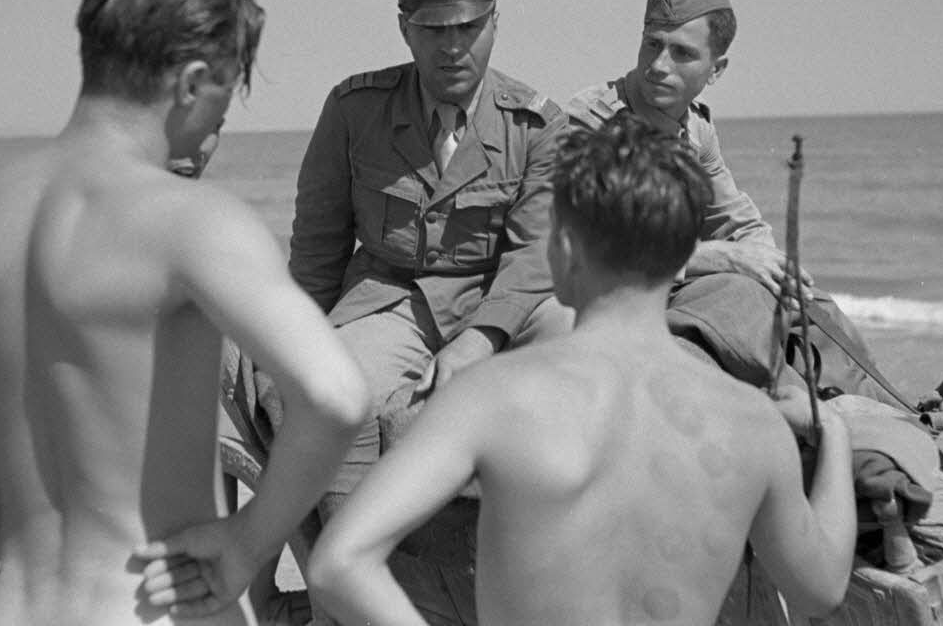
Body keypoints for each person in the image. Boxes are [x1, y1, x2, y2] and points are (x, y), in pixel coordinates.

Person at [0, 0, 370, 625]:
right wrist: (246, 542)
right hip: (149, 605)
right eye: (230, 94)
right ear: (193, 82)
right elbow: (337, 397)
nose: (220, 123)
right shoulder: (190, 222)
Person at [306, 113, 856, 626]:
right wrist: (832, 434)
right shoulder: (754, 425)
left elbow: (338, 563)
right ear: (682, 256)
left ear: (564, 249)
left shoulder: (492, 397)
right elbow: (821, 588)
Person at [274, 0, 571, 509]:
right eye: (433, 29)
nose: (452, 47)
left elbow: (534, 255)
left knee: (578, 351)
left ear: (495, 22)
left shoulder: (536, 126)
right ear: (404, 29)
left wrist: (478, 343)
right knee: (336, 399)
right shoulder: (354, 110)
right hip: (394, 302)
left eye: (468, 27)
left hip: (502, 303)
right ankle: (348, 555)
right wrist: (295, 351)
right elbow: (317, 245)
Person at [565, 0, 902, 404]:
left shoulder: (695, 130)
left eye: (682, 53)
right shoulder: (591, 122)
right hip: (611, 306)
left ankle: (894, 414)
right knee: (740, 301)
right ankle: (802, 414)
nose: (658, 66)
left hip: (672, 290)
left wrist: (771, 269)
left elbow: (736, 220)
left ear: (716, 69)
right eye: (652, 44)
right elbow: (593, 250)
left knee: (812, 308)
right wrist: (723, 258)